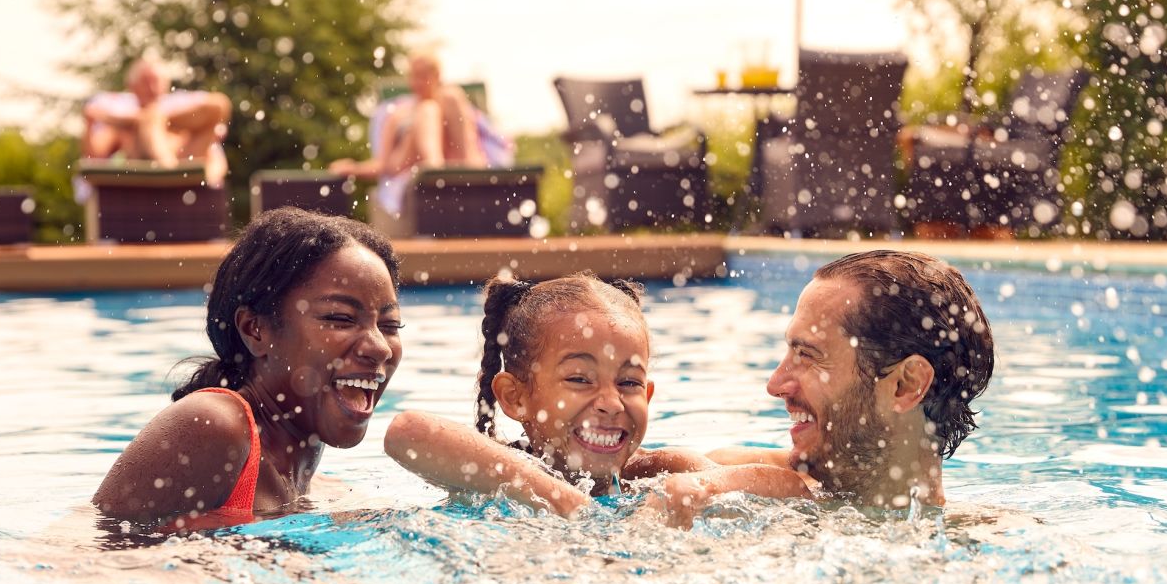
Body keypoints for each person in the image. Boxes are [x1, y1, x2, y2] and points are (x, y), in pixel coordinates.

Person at [93, 208, 403, 530]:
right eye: (340, 318)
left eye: (391, 324)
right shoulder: (215, 423)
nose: (380, 347)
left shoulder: (317, 487)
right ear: (256, 330)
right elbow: (89, 556)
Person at [653, 249, 994, 526]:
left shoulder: (987, 542)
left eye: (808, 355)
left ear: (905, 385)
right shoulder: (736, 485)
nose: (775, 385)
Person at [384, 272, 711, 516]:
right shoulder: (495, 470)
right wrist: (564, 500)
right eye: (580, 379)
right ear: (515, 397)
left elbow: (759, 475)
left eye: (629, 383)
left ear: (648, 395)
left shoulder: (657, 471)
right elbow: (407, 433)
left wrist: (698, 488)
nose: (612, 404)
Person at [329, 51, 488, 182]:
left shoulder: (449, 100)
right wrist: (354, 169)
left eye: (423, 76)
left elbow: (472, 139)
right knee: (428, 109)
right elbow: (382, 163)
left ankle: (463, 172)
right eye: (414, 76)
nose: (417, 82)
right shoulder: (399, 113)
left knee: (449, 97)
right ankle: (434, 170)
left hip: (457, 162)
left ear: (437, 76)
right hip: (407, 163)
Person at [81, 56, 232, 187]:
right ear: (132, 86)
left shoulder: (179, 110)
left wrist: (158, 119)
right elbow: (94, 157)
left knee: (220, 105)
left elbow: (217, 161)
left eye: (156, 82)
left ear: (166, 85)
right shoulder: (121, 117)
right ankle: (170, 172)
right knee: (150, 119)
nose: (152, 88)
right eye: (146, 82)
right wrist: (89, 124)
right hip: (145, 171)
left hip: (185, 165)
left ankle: (172, 172)